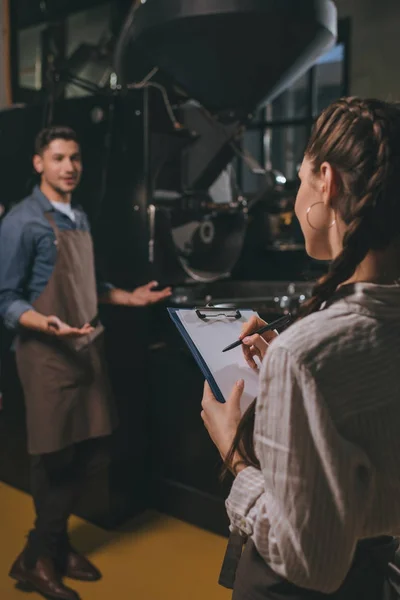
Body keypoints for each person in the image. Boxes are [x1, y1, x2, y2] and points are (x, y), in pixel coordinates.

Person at [201, 97, 400, 599]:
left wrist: (234, 455)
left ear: (326, 181)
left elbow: (308, 560)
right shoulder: (311, 353)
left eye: (301, 175)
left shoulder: (305, 356)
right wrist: (290, 375)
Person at [0, 125, 171, 600]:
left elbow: (86, 287)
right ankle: (43, 555)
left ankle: (45, 549)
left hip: (85, 347)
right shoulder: (20, 222)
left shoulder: (78, 216)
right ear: (39, 163)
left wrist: (127, 297)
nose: (69, 166)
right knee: (53, 456)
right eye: (58, 158)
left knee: (96, 448)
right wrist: (46, 324)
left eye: (75, 157)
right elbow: (5, 298)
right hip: (45, 356)